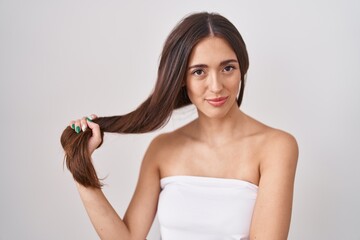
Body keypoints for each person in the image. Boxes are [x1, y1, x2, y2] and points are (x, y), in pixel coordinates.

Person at [61, 12, 298, 240]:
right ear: (182, 79)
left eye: (227, 68)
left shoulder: (276, 147)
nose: (216, 86)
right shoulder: (162, 149)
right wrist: (80, 164)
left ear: (241, 69)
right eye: (199, 72)